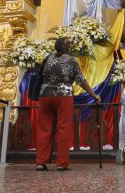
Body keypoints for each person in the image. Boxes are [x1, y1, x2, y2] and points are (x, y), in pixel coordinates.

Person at [36, 37, 101, 171]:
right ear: (67, 47)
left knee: (44, 129)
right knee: (63, 128)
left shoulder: (48, 58)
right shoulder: (71, 61)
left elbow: (41, 75)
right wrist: (93, 95)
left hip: (45, 95)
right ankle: (62, 163)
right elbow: (81, 81)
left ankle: (41, 162)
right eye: (70, 45)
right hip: (63, 96)